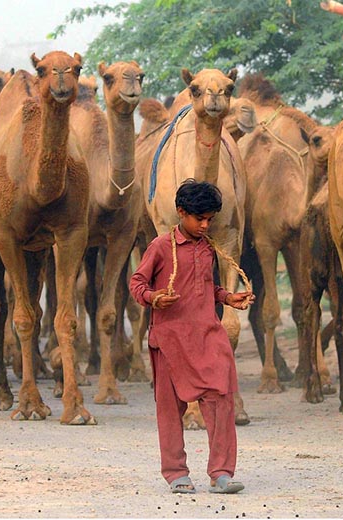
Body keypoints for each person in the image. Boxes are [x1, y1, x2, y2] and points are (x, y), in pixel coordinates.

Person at [129, 179, 254, 494]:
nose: (205, 224)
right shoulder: (160, 246)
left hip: (207, 335)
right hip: (170, 339)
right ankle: (176, 473)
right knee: (169, 407)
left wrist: (227, 298)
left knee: (221, 399)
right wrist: (154, 297)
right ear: (181, 212)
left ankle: (221, 473)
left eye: (210, 219)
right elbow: (136, 282)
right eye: (199, 218)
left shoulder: (208, 247)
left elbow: (203, 287)